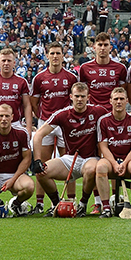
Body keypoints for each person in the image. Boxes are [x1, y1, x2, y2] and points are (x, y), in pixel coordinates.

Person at [32, 82, 108, 217]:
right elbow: (38, 134)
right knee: (42, 172)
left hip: (90, 158)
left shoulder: (98, 111)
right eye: (77, 96)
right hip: (70, 158)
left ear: (88, 97)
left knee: (91, 170)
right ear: (71, 96)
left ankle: (83, 205)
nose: (79, 99)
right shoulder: (62, 114)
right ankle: (57, 204)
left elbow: (116, 119)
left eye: (83, 96)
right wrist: (37, 160)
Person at [30, 42, 77, 214]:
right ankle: (41, 203)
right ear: (47, 55)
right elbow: (34, 103)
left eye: (58, 53)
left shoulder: (71, 77)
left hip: (65, 124)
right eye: (52, 53)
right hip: (46, 123)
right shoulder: (39, 78)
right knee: (41, 163)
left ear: (63, 56)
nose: (55, 56)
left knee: (69, 162)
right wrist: (45, 119)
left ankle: (71, 200)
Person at [94, 88, 131, 218]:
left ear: (127, 101)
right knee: (100, 167)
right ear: (110, 101)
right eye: (116, 99)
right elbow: (103, 147)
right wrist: (115, 164)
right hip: (111, 159)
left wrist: (125, 163)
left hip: (129, 158)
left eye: (122, 99)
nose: (119, 101)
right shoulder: (103, 121)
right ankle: (106, 208)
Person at [0, 48, 33, 135]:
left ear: (14, 63)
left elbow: (27, 105)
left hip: (15, 124)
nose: (6, 63)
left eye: (9, 61)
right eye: (3, 60)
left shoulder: (22, 82)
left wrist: (29, 128)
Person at [79, 33, 129, 109]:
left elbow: (122, 92)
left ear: (110, 48)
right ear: (94, 48)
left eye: (105, 45)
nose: (102, 48)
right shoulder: (84, 68)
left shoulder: (120, 68)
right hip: (92, 111)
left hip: (112, 112)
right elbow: (82, 92)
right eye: (100, 45)